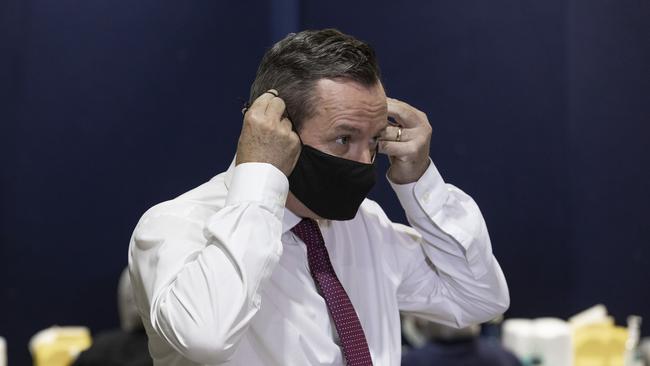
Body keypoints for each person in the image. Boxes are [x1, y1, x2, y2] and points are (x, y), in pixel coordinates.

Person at [128, 28, 510, 366]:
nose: (365, 161)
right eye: (344, 139)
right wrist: (262, 174)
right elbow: (206, 338)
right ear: (278, 127)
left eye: (374, 140)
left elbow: (479, 299)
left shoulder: (367, 225)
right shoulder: (175, 226)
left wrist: (421, 184)